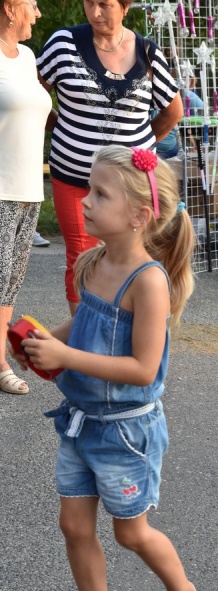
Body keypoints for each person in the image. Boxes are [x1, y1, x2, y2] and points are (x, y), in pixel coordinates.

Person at [12, 145, 199, 591]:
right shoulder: (95, 263)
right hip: (81, 422)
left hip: (126, 432)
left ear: (139, 215)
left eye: (100, 194)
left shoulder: (150, 282)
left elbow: (143, 368)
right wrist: (43, 344)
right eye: (89, 190)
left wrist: (66, 356)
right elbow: (85, 324)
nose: (85, 202)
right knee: (73, 526)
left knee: (130, 532)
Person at [36, 0, 183, 315]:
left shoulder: (147, 53)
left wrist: (141, 144)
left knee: (132, 256)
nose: (94, 12)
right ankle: (84, 334)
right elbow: (32, 96)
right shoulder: (63, 44)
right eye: (89, 3)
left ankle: (127, 326)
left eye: (104, 4)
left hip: (131, 185)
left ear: (125, 6)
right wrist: (60, 127)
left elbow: (173, 111)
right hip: (74, 176)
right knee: (80, 257)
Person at [0, 0, 51, 395]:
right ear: (9, 8)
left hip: (29, 191)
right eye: (31, 5)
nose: (37, 13)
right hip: (0, 190)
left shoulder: (28, 56)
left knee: (10, 285)